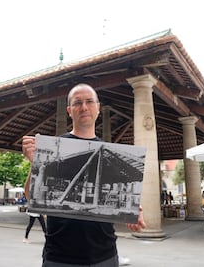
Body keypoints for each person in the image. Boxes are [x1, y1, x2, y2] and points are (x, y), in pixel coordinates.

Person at [22, 83, 146, 266]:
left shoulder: (110, 153)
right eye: (77, 103)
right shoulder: (54, 148)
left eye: (89, 101)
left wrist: (133, 210)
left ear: (98, 108)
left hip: (105, 254)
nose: (84, 107)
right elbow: (30, 195)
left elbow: (117, 192)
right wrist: (35, 164)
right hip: (59, 256)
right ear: (69, 110)